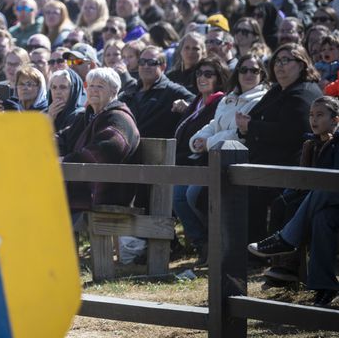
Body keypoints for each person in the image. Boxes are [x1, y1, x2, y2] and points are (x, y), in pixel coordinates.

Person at [247, 96, 339, 308]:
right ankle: (324, 286)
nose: (314, 120)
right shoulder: (315, 144)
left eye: (320, 115)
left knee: (325, 188)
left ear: (335, 119)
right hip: (330, 206)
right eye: (311, 115)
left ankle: (286, 239)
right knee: (321, 218)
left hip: (330, 195)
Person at [236, 44, 323, 242]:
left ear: (301, 65)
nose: (280, 65)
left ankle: (259, 251)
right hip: (264, 160)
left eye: (286, 60)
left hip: (290, 165)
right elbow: (254, 117)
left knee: (252, 191)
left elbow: (292, 133)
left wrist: (252, 127)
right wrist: (246, 127)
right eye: (277, 61)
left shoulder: (304, 93)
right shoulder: (278, 90)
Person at [170, 57, 229, 264]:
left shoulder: (221, 102)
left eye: (208, 74)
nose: (201, 78)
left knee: (191, 196)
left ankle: (215, 242)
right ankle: (201, 244)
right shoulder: (197, 101)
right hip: (188, 163)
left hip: (208, 164)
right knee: (176, 196)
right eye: (198, 73)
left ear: (219, 78)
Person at [56, 67, 141, 211]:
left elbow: (106, 150)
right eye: (91, 86)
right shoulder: (87, 116)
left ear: (114, 91)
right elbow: (64, 138)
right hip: (84, 184)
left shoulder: (118, 117)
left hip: (107, 193)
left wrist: (65, 160)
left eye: (100, 86)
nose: (93, 90)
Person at [119, 45, 195, 139]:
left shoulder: (171, 90)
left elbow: (198, 104)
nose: (146, 66)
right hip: (129, 147)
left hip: (158, 150)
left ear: (163, 67)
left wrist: (187, 106)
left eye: (152, 62)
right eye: (142, 62)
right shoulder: (128, 93)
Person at [47, 67, 86, 132]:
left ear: (73, 91)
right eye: (54, 87)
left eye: (63, 87)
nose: (57, 92)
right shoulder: (46, 113)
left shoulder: (80, 116)